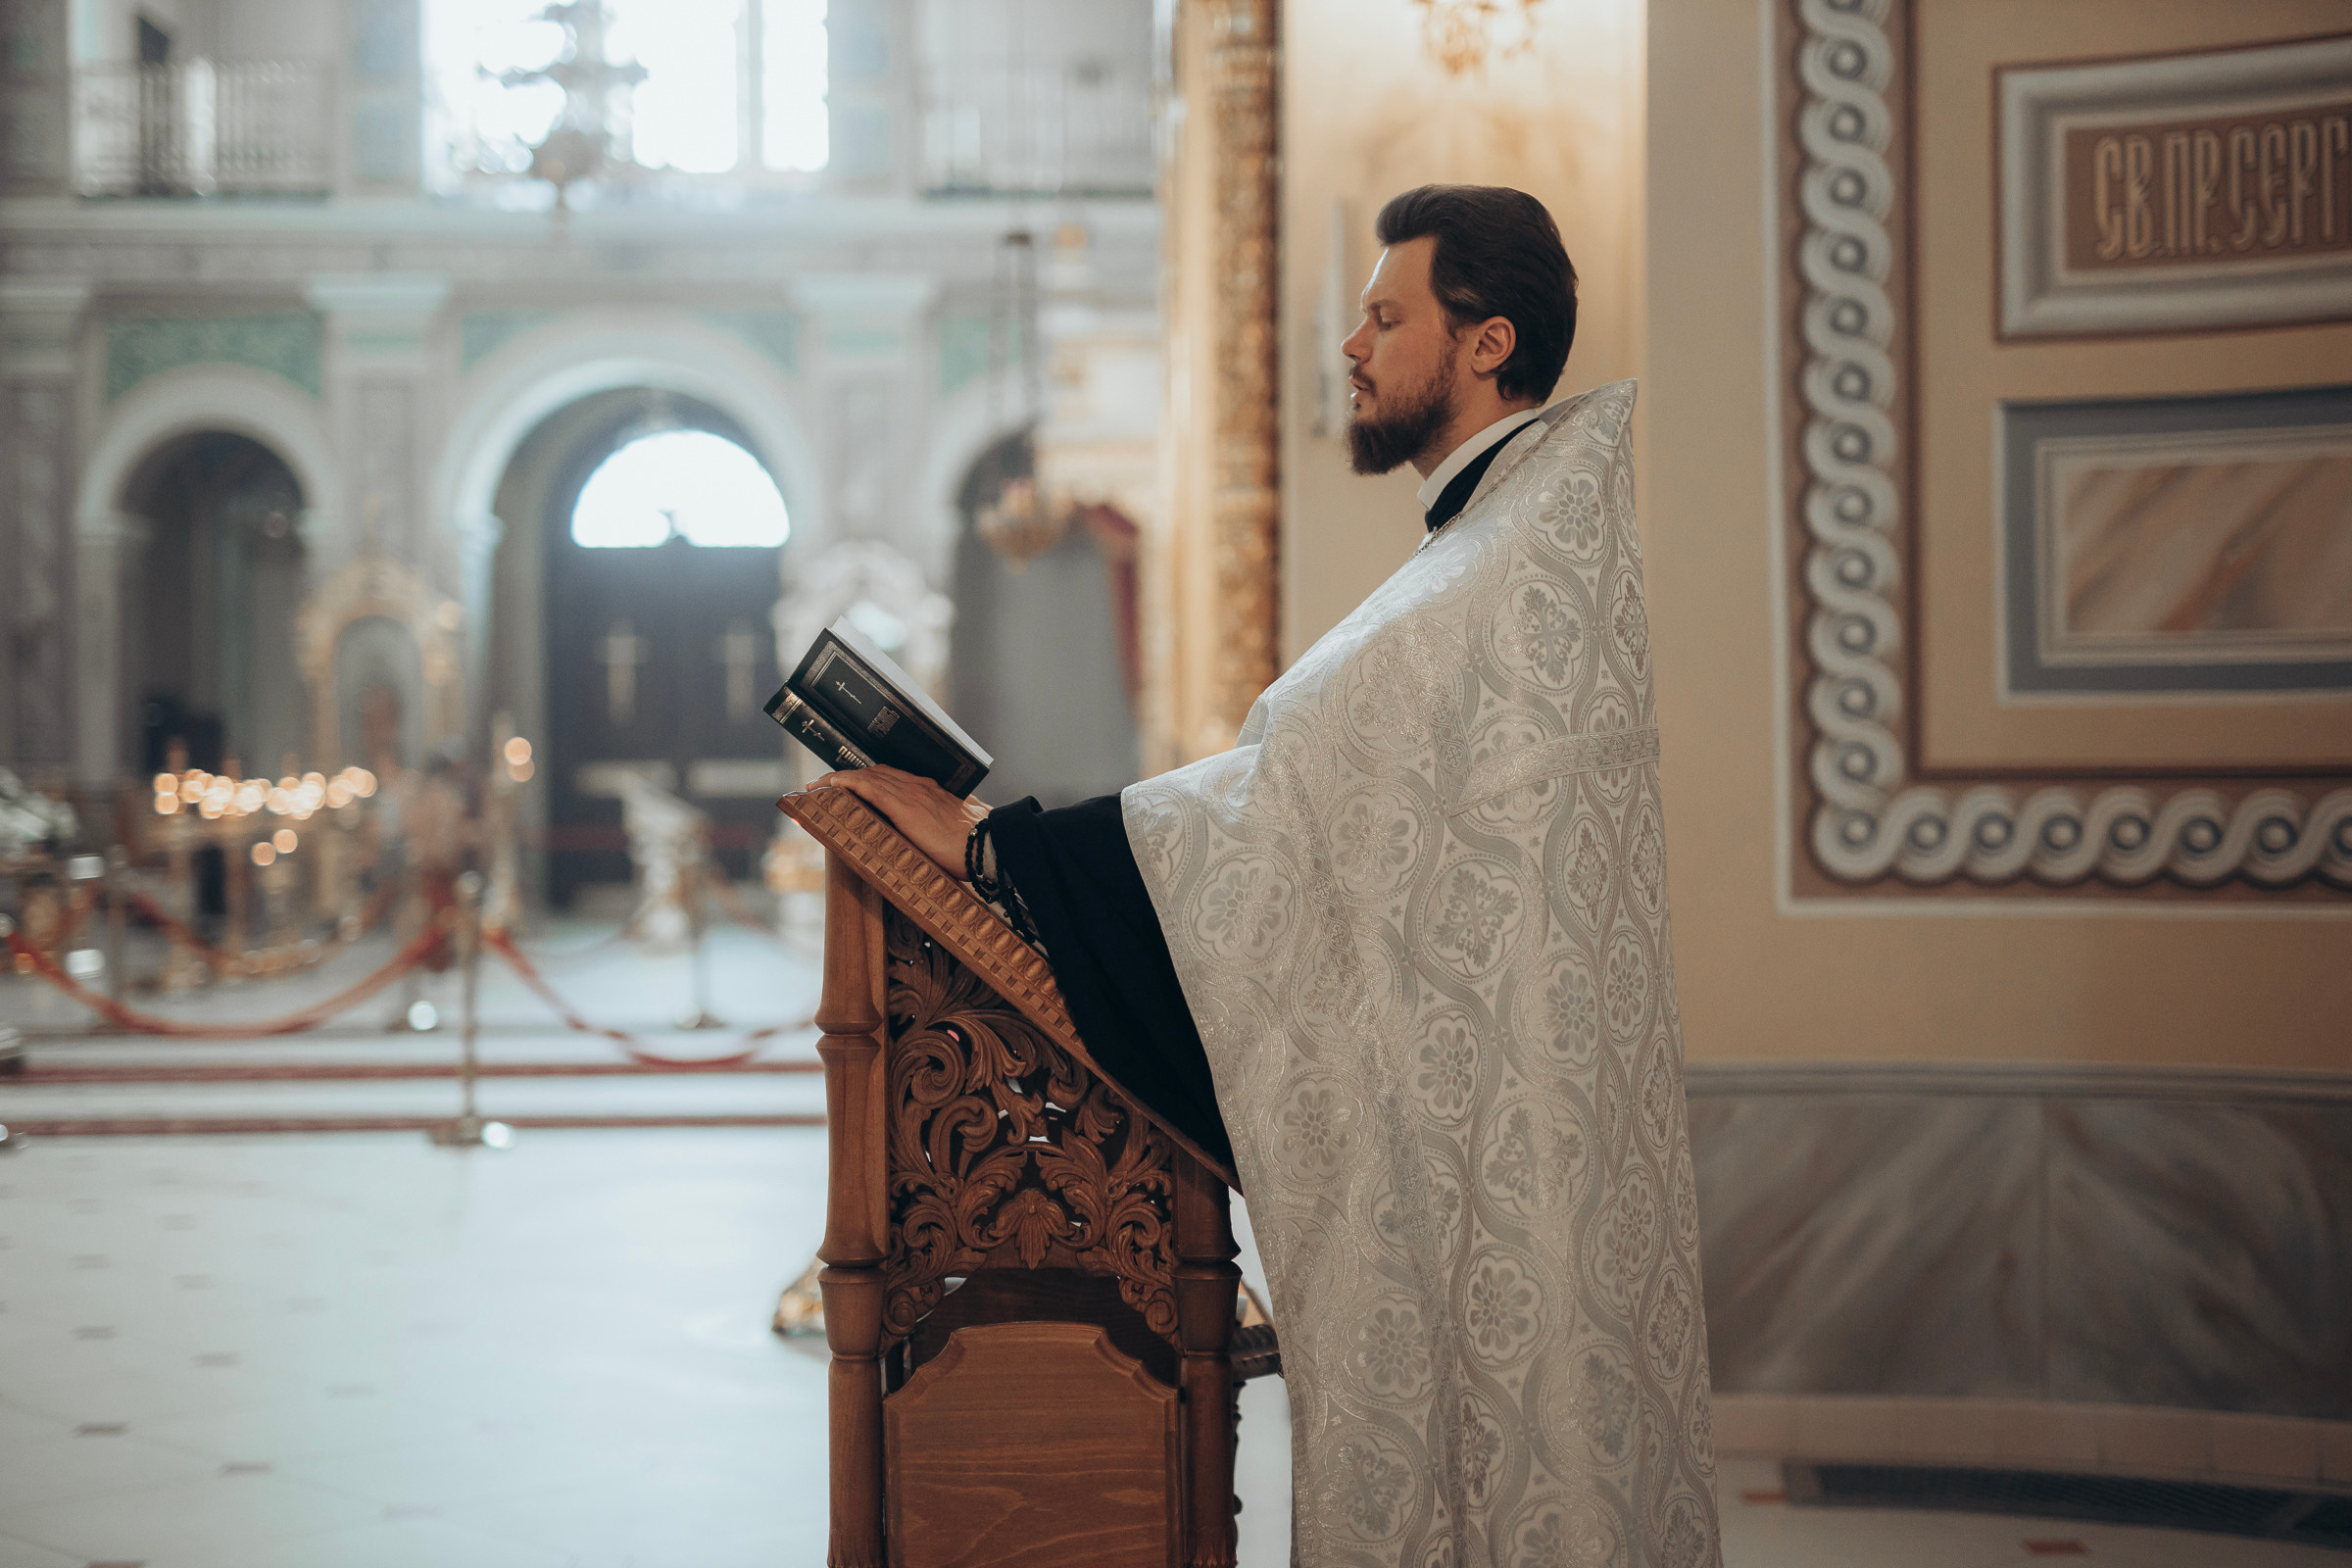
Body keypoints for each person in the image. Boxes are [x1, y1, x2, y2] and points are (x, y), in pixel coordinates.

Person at [820, 184, 1720, 1568]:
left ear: (1486, 345)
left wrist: (990, 846)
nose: (1351, 347)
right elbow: (1307, 814)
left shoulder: (1488, 574)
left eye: (1383, 314)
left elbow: (1274, 808)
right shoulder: (1512, 547)